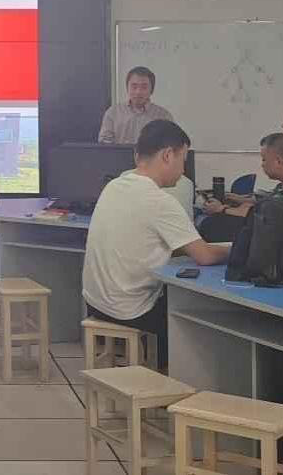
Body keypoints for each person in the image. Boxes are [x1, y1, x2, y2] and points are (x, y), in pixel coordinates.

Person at [82, 120, 228, 369]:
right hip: (130, 310)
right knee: (198, 310)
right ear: (168, 155)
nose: (183, 170)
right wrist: (235, 248)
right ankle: (171, 377)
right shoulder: (161, 201)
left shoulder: (114, 186)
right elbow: (204, 256)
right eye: (183, 160)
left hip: (95, 302)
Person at [199, 133, 283, 243]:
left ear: (278, 161)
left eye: (264, 159)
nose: (262, 165)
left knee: (212, 224)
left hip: (275, 240)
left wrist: (221, 209)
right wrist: (241, 200)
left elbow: (262, 214)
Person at [98, 67, 174, 144]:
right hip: (119, 152)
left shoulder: (164, 116)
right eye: (134, 87)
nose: (138, 92)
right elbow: (104, 142)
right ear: (127, 88)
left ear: (152, 90)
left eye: (144, 87)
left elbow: (170, 144)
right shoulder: (113, 112)